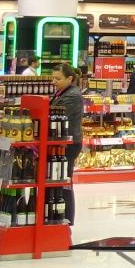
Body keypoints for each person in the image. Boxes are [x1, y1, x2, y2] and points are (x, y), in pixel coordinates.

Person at [47, 62, 84, 226]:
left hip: (69, 144)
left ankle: (67, 218)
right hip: (61, 142)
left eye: (58, 78)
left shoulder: (72, 96)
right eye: (53, 78)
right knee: (59, 178)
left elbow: (57, 115)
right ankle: (57, 216)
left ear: (69, 79)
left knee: (64, 180)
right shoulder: (61, 93)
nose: (54, 81)